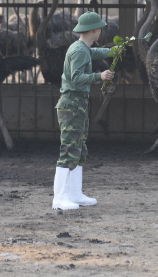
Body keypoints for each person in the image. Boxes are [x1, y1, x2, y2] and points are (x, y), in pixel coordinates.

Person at [52, 12, 115, 210]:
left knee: (79, 149)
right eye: (100, 29)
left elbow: (98, 53)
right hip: (71, 103)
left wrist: (115, 50)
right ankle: (59, 198)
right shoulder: (79, 51)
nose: (101, 31)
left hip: (78, 103)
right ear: (94, 30)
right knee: (69, 149)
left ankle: (75, 194)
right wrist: (100, 75)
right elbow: (77, 78)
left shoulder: (83, 48)